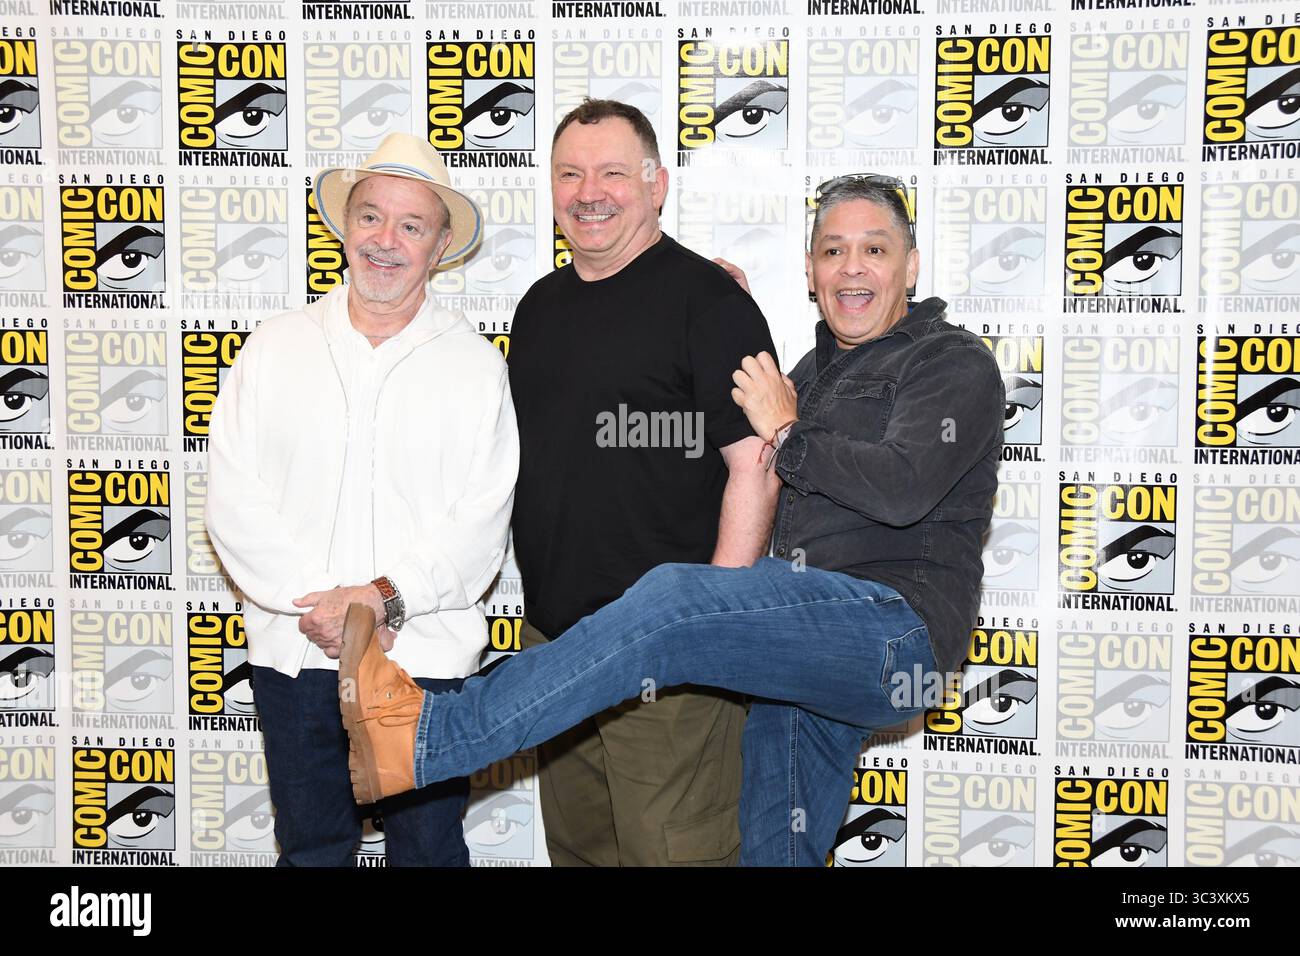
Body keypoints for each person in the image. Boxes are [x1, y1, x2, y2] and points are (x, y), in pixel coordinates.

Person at [338, 174, 1005, 866]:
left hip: (892, 630)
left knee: (676, 599)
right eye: (833, 252)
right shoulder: (807, 373)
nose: (852, 267)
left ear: (913, 264)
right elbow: (701, 435)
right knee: (775, 849)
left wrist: (787, 429)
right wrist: (710, 312)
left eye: (875, 249)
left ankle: (433, 737)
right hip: (804, 643)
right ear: (810, 271)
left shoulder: (951, 360)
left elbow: (901, 489)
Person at [205, 133, 518, 866]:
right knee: (312, 850)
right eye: (371, 217)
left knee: (429, 850)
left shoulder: (475, 367)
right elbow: (234, 494)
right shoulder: (273, 346)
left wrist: (381, 598)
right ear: (345, 226)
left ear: (440, 245)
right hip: (293, 653)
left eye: (411, 226)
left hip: (424, 662)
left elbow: (481, 524)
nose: (386, 241)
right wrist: (319, 608)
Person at [502, 99, 779, 866]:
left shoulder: (711, 302)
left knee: (674, 855)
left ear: (656, 185)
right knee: (580, 853)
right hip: (556, 647)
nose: (590, 191)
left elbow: (756, 464)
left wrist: (708, 625)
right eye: (570, 174)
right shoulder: (538, 307)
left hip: (667, 659)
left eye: (614, 173)